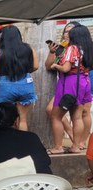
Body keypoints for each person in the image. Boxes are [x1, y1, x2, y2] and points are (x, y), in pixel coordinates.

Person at [48, 24, 93, 154]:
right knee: (77, 117)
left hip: (70, 82)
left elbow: (66, 68)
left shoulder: (71, 48)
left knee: (55, 116)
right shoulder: (87, 49)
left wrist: (56, 65)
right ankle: (76, 146)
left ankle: (58, 147)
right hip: (84, 81)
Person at [0, 25, 38, 132]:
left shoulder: (0, 52)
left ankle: (9, 145)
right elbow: (35, 66)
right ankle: (23, 145)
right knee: (23, 119)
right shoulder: (29, 49)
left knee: (6, 119)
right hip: (25, 85)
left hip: (6, 87)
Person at [45, 22, 80, 153]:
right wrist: (52, 52)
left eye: (70, 31)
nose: (66, 34)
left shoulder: (76, 48)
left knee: (78, 114)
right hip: (65, 84)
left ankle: (73, 143)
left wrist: (57, 66)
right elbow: (48, 65)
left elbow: (65, 68)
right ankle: (74, 141)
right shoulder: (63, 48)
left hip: (74, 83)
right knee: (53, 111)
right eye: (65, 31)